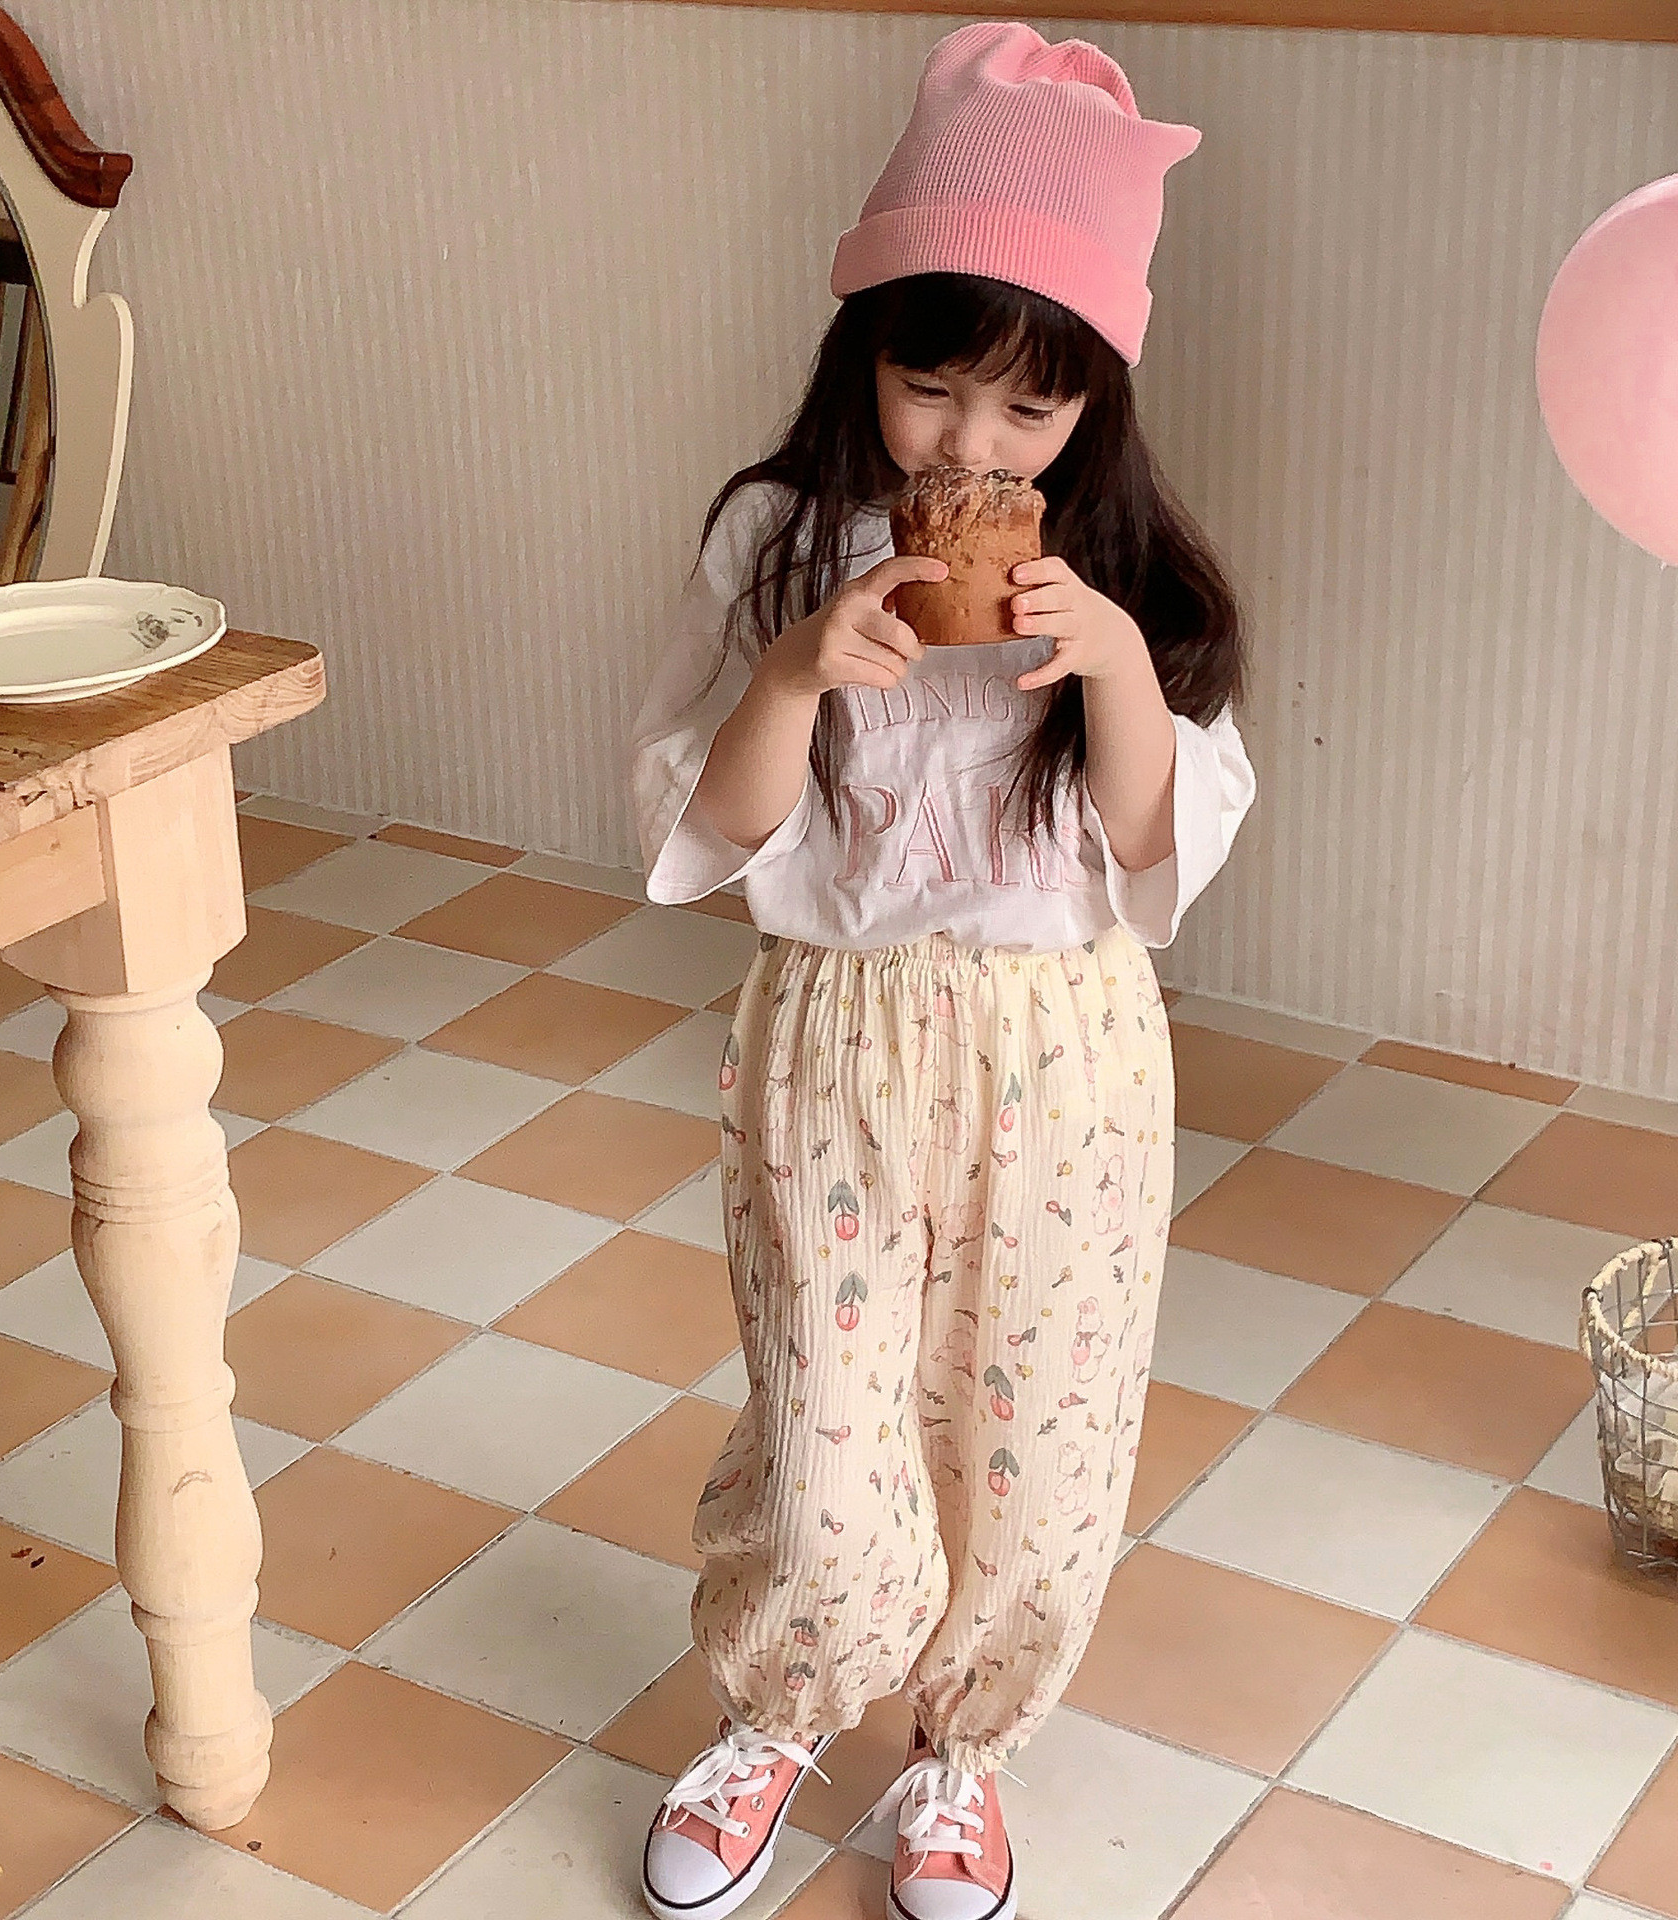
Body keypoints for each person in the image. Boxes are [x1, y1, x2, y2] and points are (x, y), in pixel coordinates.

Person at [627, 22, 1255, 1920]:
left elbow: (1152, 847)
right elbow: (710, 832)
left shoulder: (1129, 578)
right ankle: (782, 1706)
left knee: (1035, 1425)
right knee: (826, 1425)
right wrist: (793, 673)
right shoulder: (777, 543)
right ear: (862, 350)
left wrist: (1117, 666)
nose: (970, 448)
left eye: (1027, 412)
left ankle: (962, 1748)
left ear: (1093, 411)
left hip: (1066, 1054)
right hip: (834, 1037)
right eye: (930, 388)